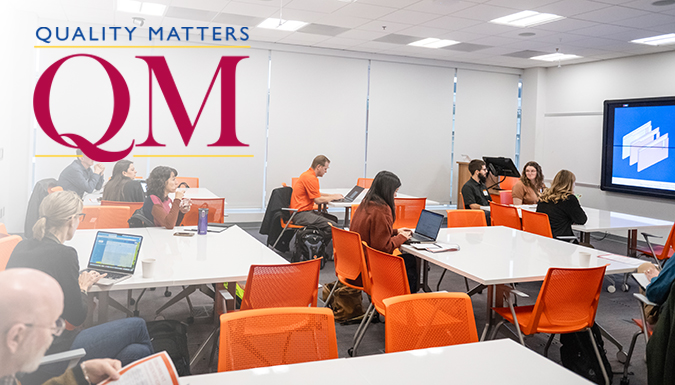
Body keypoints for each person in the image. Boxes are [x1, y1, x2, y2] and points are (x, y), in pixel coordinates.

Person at [6, 191, 153, 383]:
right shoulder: (64, 254)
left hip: (17, 349)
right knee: (138, 326)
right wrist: (82, 287)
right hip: (47, 352)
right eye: (79, 217)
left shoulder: (22, 246)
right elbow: (76, 316)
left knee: (136, 351)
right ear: (71, 220)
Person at [0, 268, 122, 385]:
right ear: (15, 336)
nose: (52, 336)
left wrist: (82, 374)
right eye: (51, 328)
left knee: (134, 351)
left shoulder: (6, 373)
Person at [350, 171, 418, 292]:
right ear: (388, 191)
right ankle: (403, 301)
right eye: (395, 191)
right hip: (372, 267)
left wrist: (396, 232)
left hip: (356, 265)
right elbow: (384, 248)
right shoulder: (382, 210)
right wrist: (402, 237)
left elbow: (373, 232)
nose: (396, 195)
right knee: (410, 261)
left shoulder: (366, 203)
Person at [290, 155, 343, 239]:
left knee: (333, 219)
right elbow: (317, 200)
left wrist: (332, 195)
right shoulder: (310, 178)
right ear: (318, 167)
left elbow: (316, 193)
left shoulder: (307, 175)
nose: (325, 171)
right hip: (301, 214)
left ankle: (321, 245)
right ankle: (319, 246)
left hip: (302, 212)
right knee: (333, 226)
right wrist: (333, 198)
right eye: (325, 169)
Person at [536, 170, 587, 239]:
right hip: (561, 242)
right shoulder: (569, 199)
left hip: (544, 240)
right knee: (589, 247)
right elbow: (582, 219)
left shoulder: (544, 196)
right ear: (570, 184)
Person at [461, 159, 491, 223]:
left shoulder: (483, 186)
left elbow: (490, 201)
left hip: (486, 213)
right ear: (477, 172)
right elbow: (472, 206)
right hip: (476, 215)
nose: (486, 171)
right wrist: (486, 208)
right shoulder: (468, 187)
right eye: (484, 170)